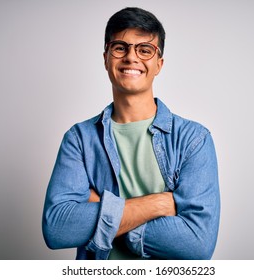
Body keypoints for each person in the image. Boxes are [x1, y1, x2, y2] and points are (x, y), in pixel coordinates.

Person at [42, 7, 220, 260]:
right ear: (106, 58)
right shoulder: (79, 139)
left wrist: (101, 211)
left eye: (145, 50)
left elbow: (196, 244)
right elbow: (58, 229)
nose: (131, 57)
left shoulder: (194, 139)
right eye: (120, 47)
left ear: (158, 64)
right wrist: (157, 204)